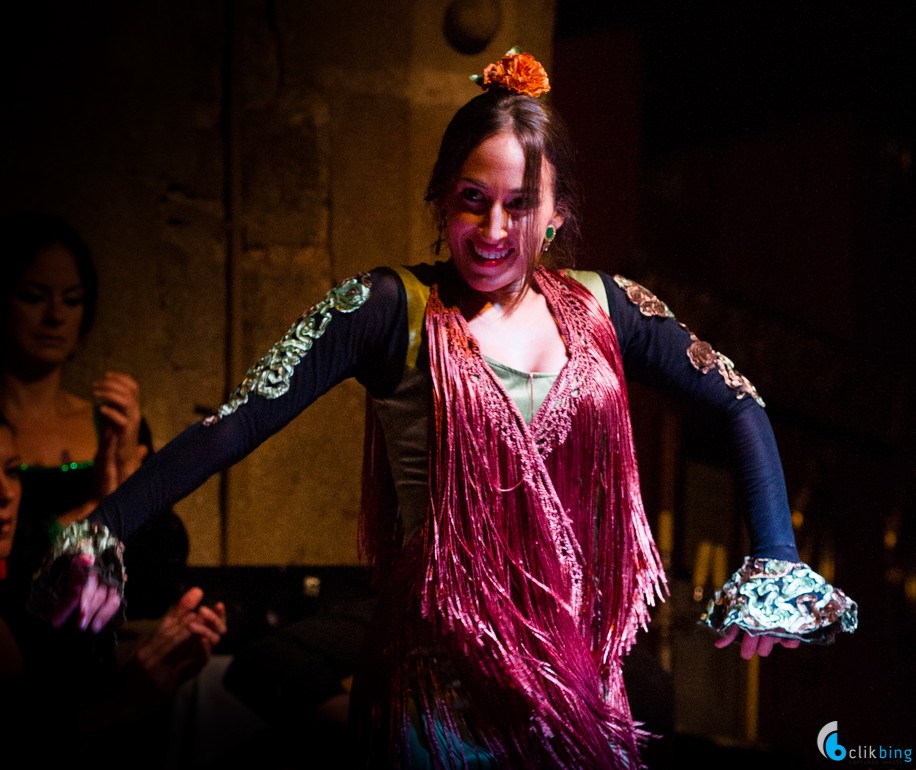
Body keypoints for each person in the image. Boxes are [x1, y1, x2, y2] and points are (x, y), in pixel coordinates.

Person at [32, 50, 858, 768]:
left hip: (579, 687)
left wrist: (775, 556)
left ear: (557, 212)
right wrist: (100, 530)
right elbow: (238, 421)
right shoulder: (386, 308)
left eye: (519, 205)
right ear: (440, 199)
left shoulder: (608, 308)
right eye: (471, 199)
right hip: (436, 699)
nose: (493, 228)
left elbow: (739, 400)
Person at [0, 410, 228, 765]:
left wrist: (145, 664)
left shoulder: (18, 597)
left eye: (12, 471)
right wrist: (128, 703)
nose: (6, 493)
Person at [0, 210, 189, 620]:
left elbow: (158, 568)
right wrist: (96, 508)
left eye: (72, 300)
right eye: (34, 296)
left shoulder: (111, 424)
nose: (55, 316)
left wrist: (132, 477)